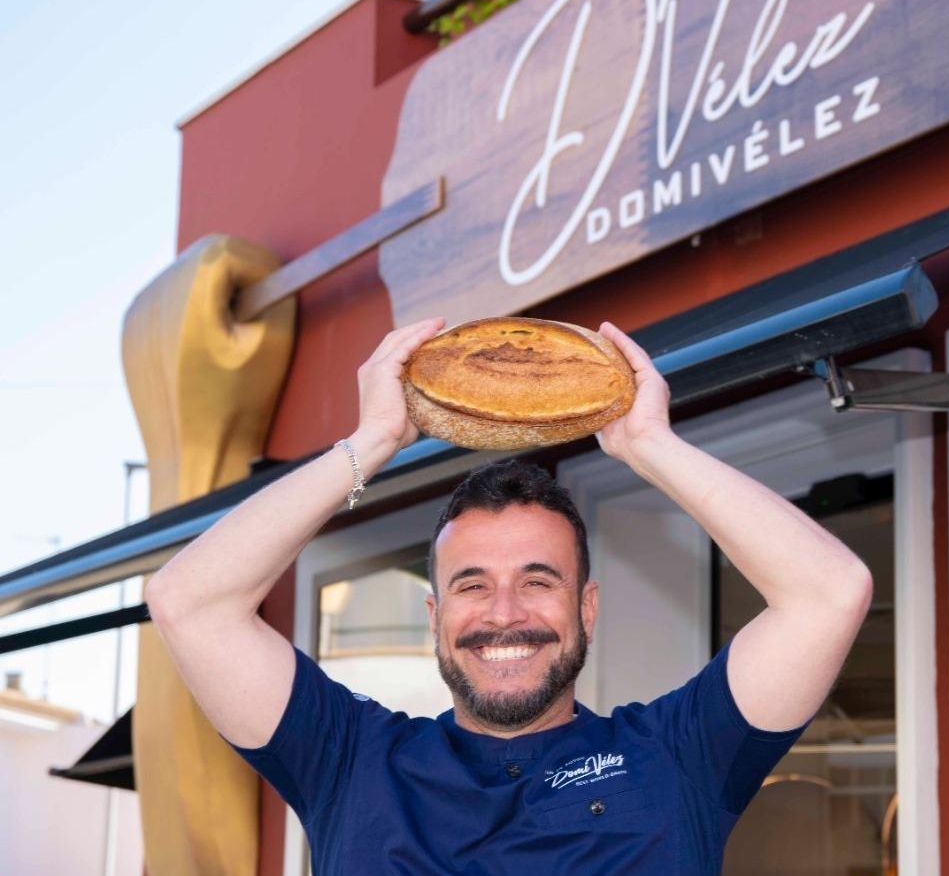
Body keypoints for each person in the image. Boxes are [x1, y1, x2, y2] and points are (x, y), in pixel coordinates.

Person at [144, 318, 875, 874]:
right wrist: (370, 443)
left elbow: (830, 593)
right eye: (472, 585)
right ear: (435, 618)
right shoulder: (349, 760)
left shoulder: (679, 755)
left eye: (537, 580)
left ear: (585, 608)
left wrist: (649, 445)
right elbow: (188, 600)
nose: (504, 614)